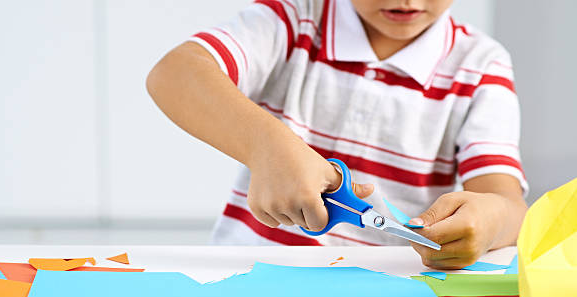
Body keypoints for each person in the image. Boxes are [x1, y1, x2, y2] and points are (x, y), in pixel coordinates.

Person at [146, 0, 528, 269]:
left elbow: (508, 205)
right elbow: (174, 73)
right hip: (245, 272)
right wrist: (267, 146)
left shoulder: (480, 66)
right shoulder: (293, 19)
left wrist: (492, 220)